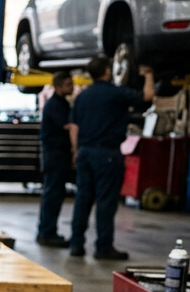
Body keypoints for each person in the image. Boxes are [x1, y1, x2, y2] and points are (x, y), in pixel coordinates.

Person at [68, 55, 153, 260]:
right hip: (107, 154)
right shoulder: (116, 93)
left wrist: (75, 151)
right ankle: (103, 247)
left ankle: (76, 244)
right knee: (106, 201)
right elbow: (148, 96)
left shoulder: (82, 96)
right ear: (107, 71)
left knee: (83, 199)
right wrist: (149, 74)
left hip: (85, 153)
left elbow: (74, 126)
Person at [36, 71, 75, 248]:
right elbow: (67, 126)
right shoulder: (55, 105)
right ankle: (46, 232)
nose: (72, 87)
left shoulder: (61, 103)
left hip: (58, 154)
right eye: (68, 84)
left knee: (54, 193)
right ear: (58, 87)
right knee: (53, 194)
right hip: (55, 155)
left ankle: (48, 231)